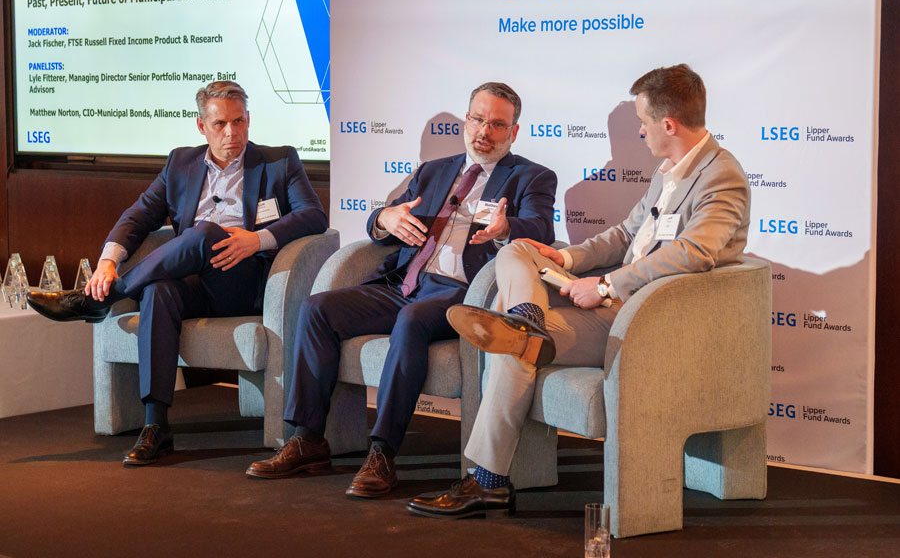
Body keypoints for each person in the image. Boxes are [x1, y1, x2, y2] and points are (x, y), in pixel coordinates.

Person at [408, 64, 751, 519]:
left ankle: (488, 480)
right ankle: (527, 318)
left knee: (513, 346)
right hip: (616, 303)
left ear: (668, 125)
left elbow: (694, 252)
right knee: (517, 250)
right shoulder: (668, 170)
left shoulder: (721, 175)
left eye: (643, 122)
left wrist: (608, 283)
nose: (640, 131)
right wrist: (565, 259)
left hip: (649, 317)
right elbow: (625, 235)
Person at [245, 82, 558, 500]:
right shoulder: (434, 170)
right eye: (478, 119)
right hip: (404, 283)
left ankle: (382, 452)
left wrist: (506, 229)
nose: (485, 131)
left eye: (497, 125)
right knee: (318, 308)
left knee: (411, 320)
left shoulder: (531, 177)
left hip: (461, 292)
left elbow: (541, 230)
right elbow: (383, 220)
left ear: (514, 132)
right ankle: (308, 439)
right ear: (466, 121)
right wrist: (385, 218)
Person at [27, 81, 328, 466]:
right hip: (194, 284)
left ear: (249, 120)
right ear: (201, 126)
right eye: (220, 124)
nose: (231, 132)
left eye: (238, 121)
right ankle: (156, 426)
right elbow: (138, 217)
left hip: (246, 282)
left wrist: (257, 240)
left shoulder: (279, 161)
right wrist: (107, 261)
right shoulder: (180, 164)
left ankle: (104, 297)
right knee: (158, 292)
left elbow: (313, 216)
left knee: (205, 233)